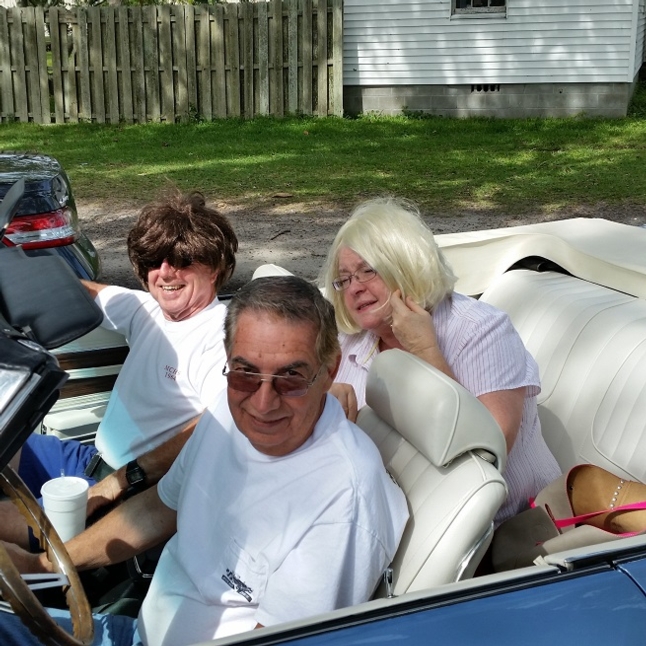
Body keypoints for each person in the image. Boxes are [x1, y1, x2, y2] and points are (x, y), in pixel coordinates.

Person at [0, 275, 409, 646]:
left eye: (290, 378)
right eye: (245, 373)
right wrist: (45, 565)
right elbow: (158, 509)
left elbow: (277, 640)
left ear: (330, 370)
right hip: (137, 632)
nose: (262, 403)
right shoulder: (225, 414)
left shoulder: (343, 500)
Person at [0, 190, 238, 548]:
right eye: (154, 261)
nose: (165, 272)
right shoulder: (148, 310)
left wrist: (123, 480)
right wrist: (13, 271)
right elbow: (80, 292)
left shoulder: (218, 337)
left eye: (183, 260)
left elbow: (216, 425)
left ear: (216, 267)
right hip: (87, 462)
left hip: (128, 494)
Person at [320, 197, 561, 525]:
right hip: (399, 520)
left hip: (507, 528)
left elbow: (487, 454)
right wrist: (323, 411)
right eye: (344, 279)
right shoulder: (348, 339)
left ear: (405, 264)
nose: (354, 289)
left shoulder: (481, 330)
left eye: (367, 271)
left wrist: (424, 350)